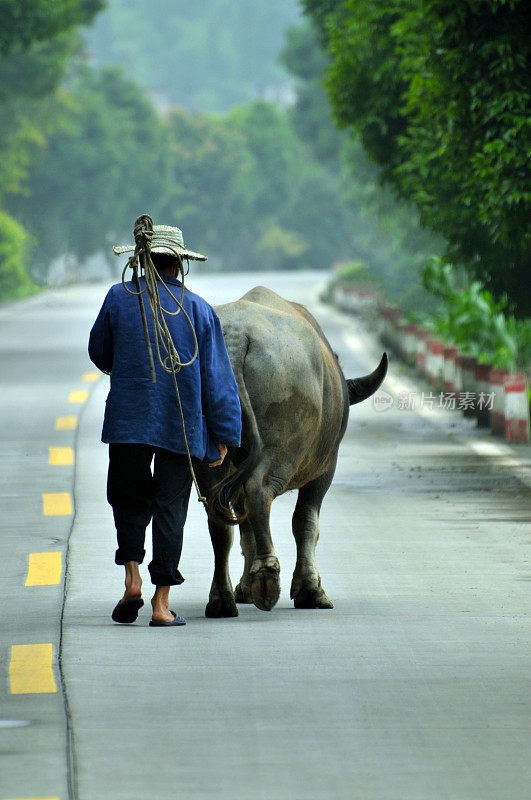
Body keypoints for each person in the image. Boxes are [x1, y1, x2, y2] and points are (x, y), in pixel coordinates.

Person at [88, 223, 241, 627]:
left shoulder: (119, 298)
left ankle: (132, 579)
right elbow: (217, 380)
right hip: (181, 426)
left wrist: (127, 369)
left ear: (141, 261)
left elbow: (99, 351)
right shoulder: (198, 310)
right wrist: (224, 434)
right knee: (170, 508)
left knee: (128, 499)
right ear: (180, 265)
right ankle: (160, 605)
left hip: (128, 423)